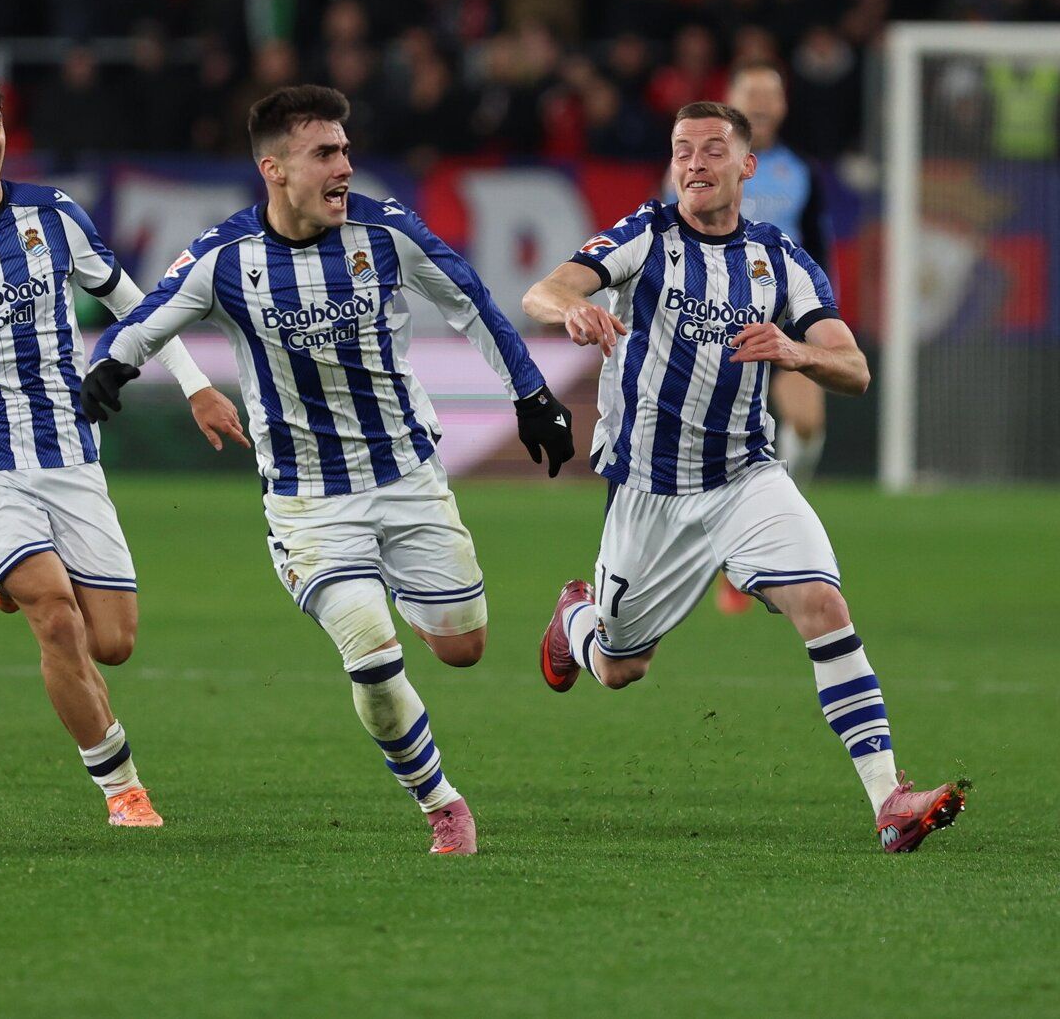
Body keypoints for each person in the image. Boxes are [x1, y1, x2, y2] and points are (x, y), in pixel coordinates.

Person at [86, 85, 575, 855]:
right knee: (372, 653)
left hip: (407, 476)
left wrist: (532, 395)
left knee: (462, 647)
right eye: (324, 153)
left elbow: (472, 302)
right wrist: (105, 370)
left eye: (345, 149)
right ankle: (441, 804)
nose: (343, 165)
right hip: (308, 502)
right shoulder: (225, 258)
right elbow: (146, 319)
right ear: (275, 169)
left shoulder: (385, 232)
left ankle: (515, 611)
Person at [525, 100, 967, 854]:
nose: (694, 162)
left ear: (746, 165)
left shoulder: (779, 259)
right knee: (621, 666)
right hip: (650, 492)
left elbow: (853, 367)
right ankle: (575, 620)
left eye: (711, 149)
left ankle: (889, 802)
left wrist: (796, 353)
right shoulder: (645, 234)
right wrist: (571, 310)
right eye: (682, 149)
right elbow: (543, 289)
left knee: (823, 604)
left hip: (743, 477)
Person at [0, 69, 244, 828]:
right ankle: (122, 789)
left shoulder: (54, 215)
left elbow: (136, 305)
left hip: (69, 449)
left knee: (113, 642)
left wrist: (196, 385)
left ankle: (14, 572)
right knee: (55, 616)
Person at [709, 65, 840, 613]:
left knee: (806, 424)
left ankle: (769, 527)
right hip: (712, 319)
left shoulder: (801, 172)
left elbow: (819, 253)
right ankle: (722, 547)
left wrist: (823, 323)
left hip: (782, 320)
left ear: (783, 106)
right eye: (751, 95)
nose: (761, 105)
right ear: (731, 101)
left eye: (770, 96)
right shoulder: (703, 160)